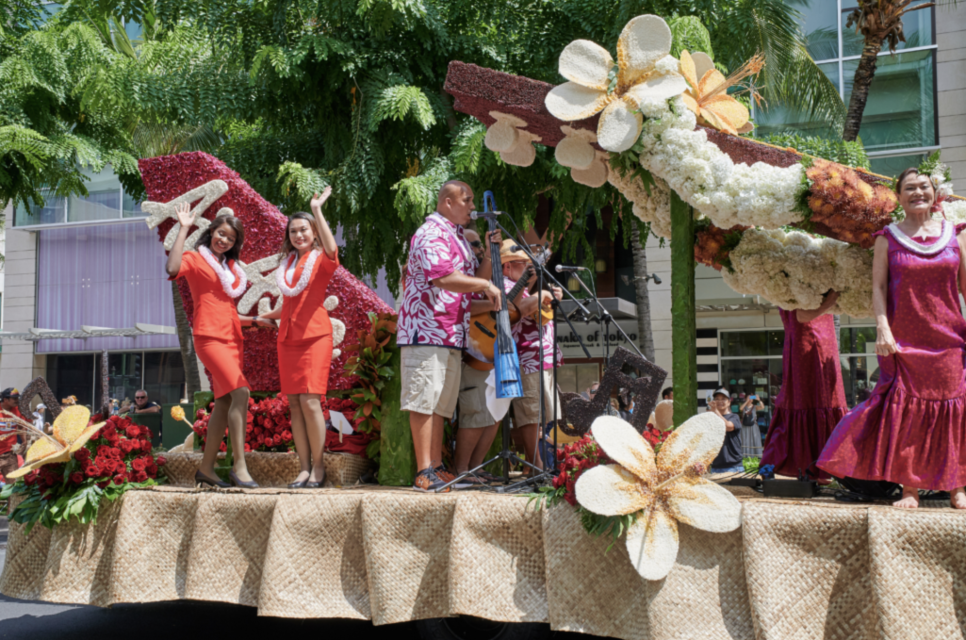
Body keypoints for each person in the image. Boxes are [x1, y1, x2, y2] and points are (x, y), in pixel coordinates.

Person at [818, 169, 966, 509]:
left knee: (955, 411)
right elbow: (879, 288)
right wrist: (882, 328)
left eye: (924, 187)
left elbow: (965, 287)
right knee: (907, 412)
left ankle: (957, 486)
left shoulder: (956, 235)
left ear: (935, 192)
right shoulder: (888, 238)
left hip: (949, 339)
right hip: (904, 340)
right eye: (909, 188)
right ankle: (910, 489)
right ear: (898, 197)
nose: (918, 193)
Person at [397, 181, 501, 492]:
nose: (472, 207)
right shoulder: (431, 233)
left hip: (450, 332)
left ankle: (437, 468)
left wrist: (488, 255)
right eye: (467, 200)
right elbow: (444, 278)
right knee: (424, 400)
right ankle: (423, 470)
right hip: (426, 331)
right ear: (447, 201)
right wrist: (485, 286)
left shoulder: (455, 236)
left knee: (440, 405)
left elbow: (471, 282)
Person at [167, 203, 267, 489]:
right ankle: (239, 466)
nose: (224, 240)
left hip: (232, 338)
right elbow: (172, 268)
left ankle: (207, 469)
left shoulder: (231, 269)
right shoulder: (195, 258)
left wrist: (257, 320)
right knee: (242, 391)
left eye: (231, 238)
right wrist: (184, 227)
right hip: (209, 337)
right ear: (211, 231)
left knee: (224, 401)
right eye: (220, 234)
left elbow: (227, 310)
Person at [259, 188, 340, 489]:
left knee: (310, 401)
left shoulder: (321, 259)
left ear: (313, 232)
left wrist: (317, 209)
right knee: (294, 403)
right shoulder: (287, 265)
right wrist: (262, 318)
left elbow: (332, 250)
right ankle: (303, 468)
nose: (298, 235)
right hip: (288, 338)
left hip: (315, 336)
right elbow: (289, 304)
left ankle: (319, 468)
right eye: (293, 231)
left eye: (303, 229)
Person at [761, 292, 845, 482]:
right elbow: (802, 315)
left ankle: (816, 468)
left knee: (805, 400)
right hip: (811, 341)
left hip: (809, 341)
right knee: (817, 398)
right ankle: (821, 467)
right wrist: (830, 302)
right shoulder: (798, 278)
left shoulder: (786, 279)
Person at [500, 241, 563, 475]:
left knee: (541, 412)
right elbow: (521, 309)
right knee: (530, 412)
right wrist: (543, 295)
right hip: (526, 356)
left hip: (540, 357)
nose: (529, 268)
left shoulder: (523, 289)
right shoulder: (504, 285)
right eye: (523, 264)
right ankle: (536, 465)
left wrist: (551, 298)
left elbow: (535, 311)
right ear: (507, 267)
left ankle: (534, 463)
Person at [708, 388, 743, 473]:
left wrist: (715, 411)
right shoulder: (710, 419)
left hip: (733, 467)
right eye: (717, 399)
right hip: (715, 467)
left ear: (729, 402)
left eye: (723, 399)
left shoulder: (734, 417)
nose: (720, 401)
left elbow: (728, 427)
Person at [0, 388, 24, 484]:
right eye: (14, 398)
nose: (17, 400)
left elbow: (21, 427)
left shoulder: (18, 410)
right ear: (5, 399)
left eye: (17, 398)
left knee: (13, 486)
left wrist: (24, 441)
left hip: (10, 455)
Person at [739, 393, 765, 458]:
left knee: (754, 439)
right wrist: (746, 401)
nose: (750, 399)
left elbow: (762, 407)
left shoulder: (754, 406)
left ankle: (756, 456)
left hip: (753, 426)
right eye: (748, 397)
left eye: (751, 398)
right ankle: (745, 456)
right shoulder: (744, 406)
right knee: (745, 440)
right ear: (745, 398)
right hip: (744, 427)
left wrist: (758, 400)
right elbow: (741, 408)